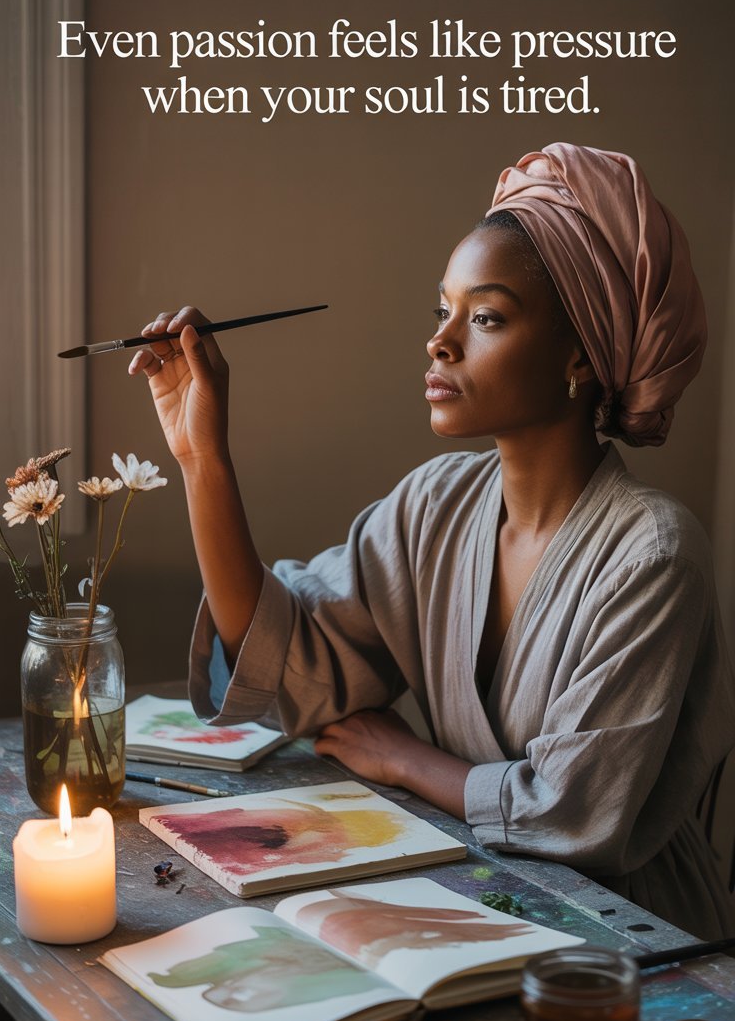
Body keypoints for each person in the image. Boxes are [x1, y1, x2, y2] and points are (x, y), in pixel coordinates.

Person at [130, 143, 735, 939]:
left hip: (637, 937)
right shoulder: (435, 504)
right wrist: (202, 457)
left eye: (485, 318)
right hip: (486, 900)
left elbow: (575, 812)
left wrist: (405, 759)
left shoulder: (652, 555)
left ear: (582, 355)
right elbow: (291, 661)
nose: (440, 342)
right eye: (440, 310)